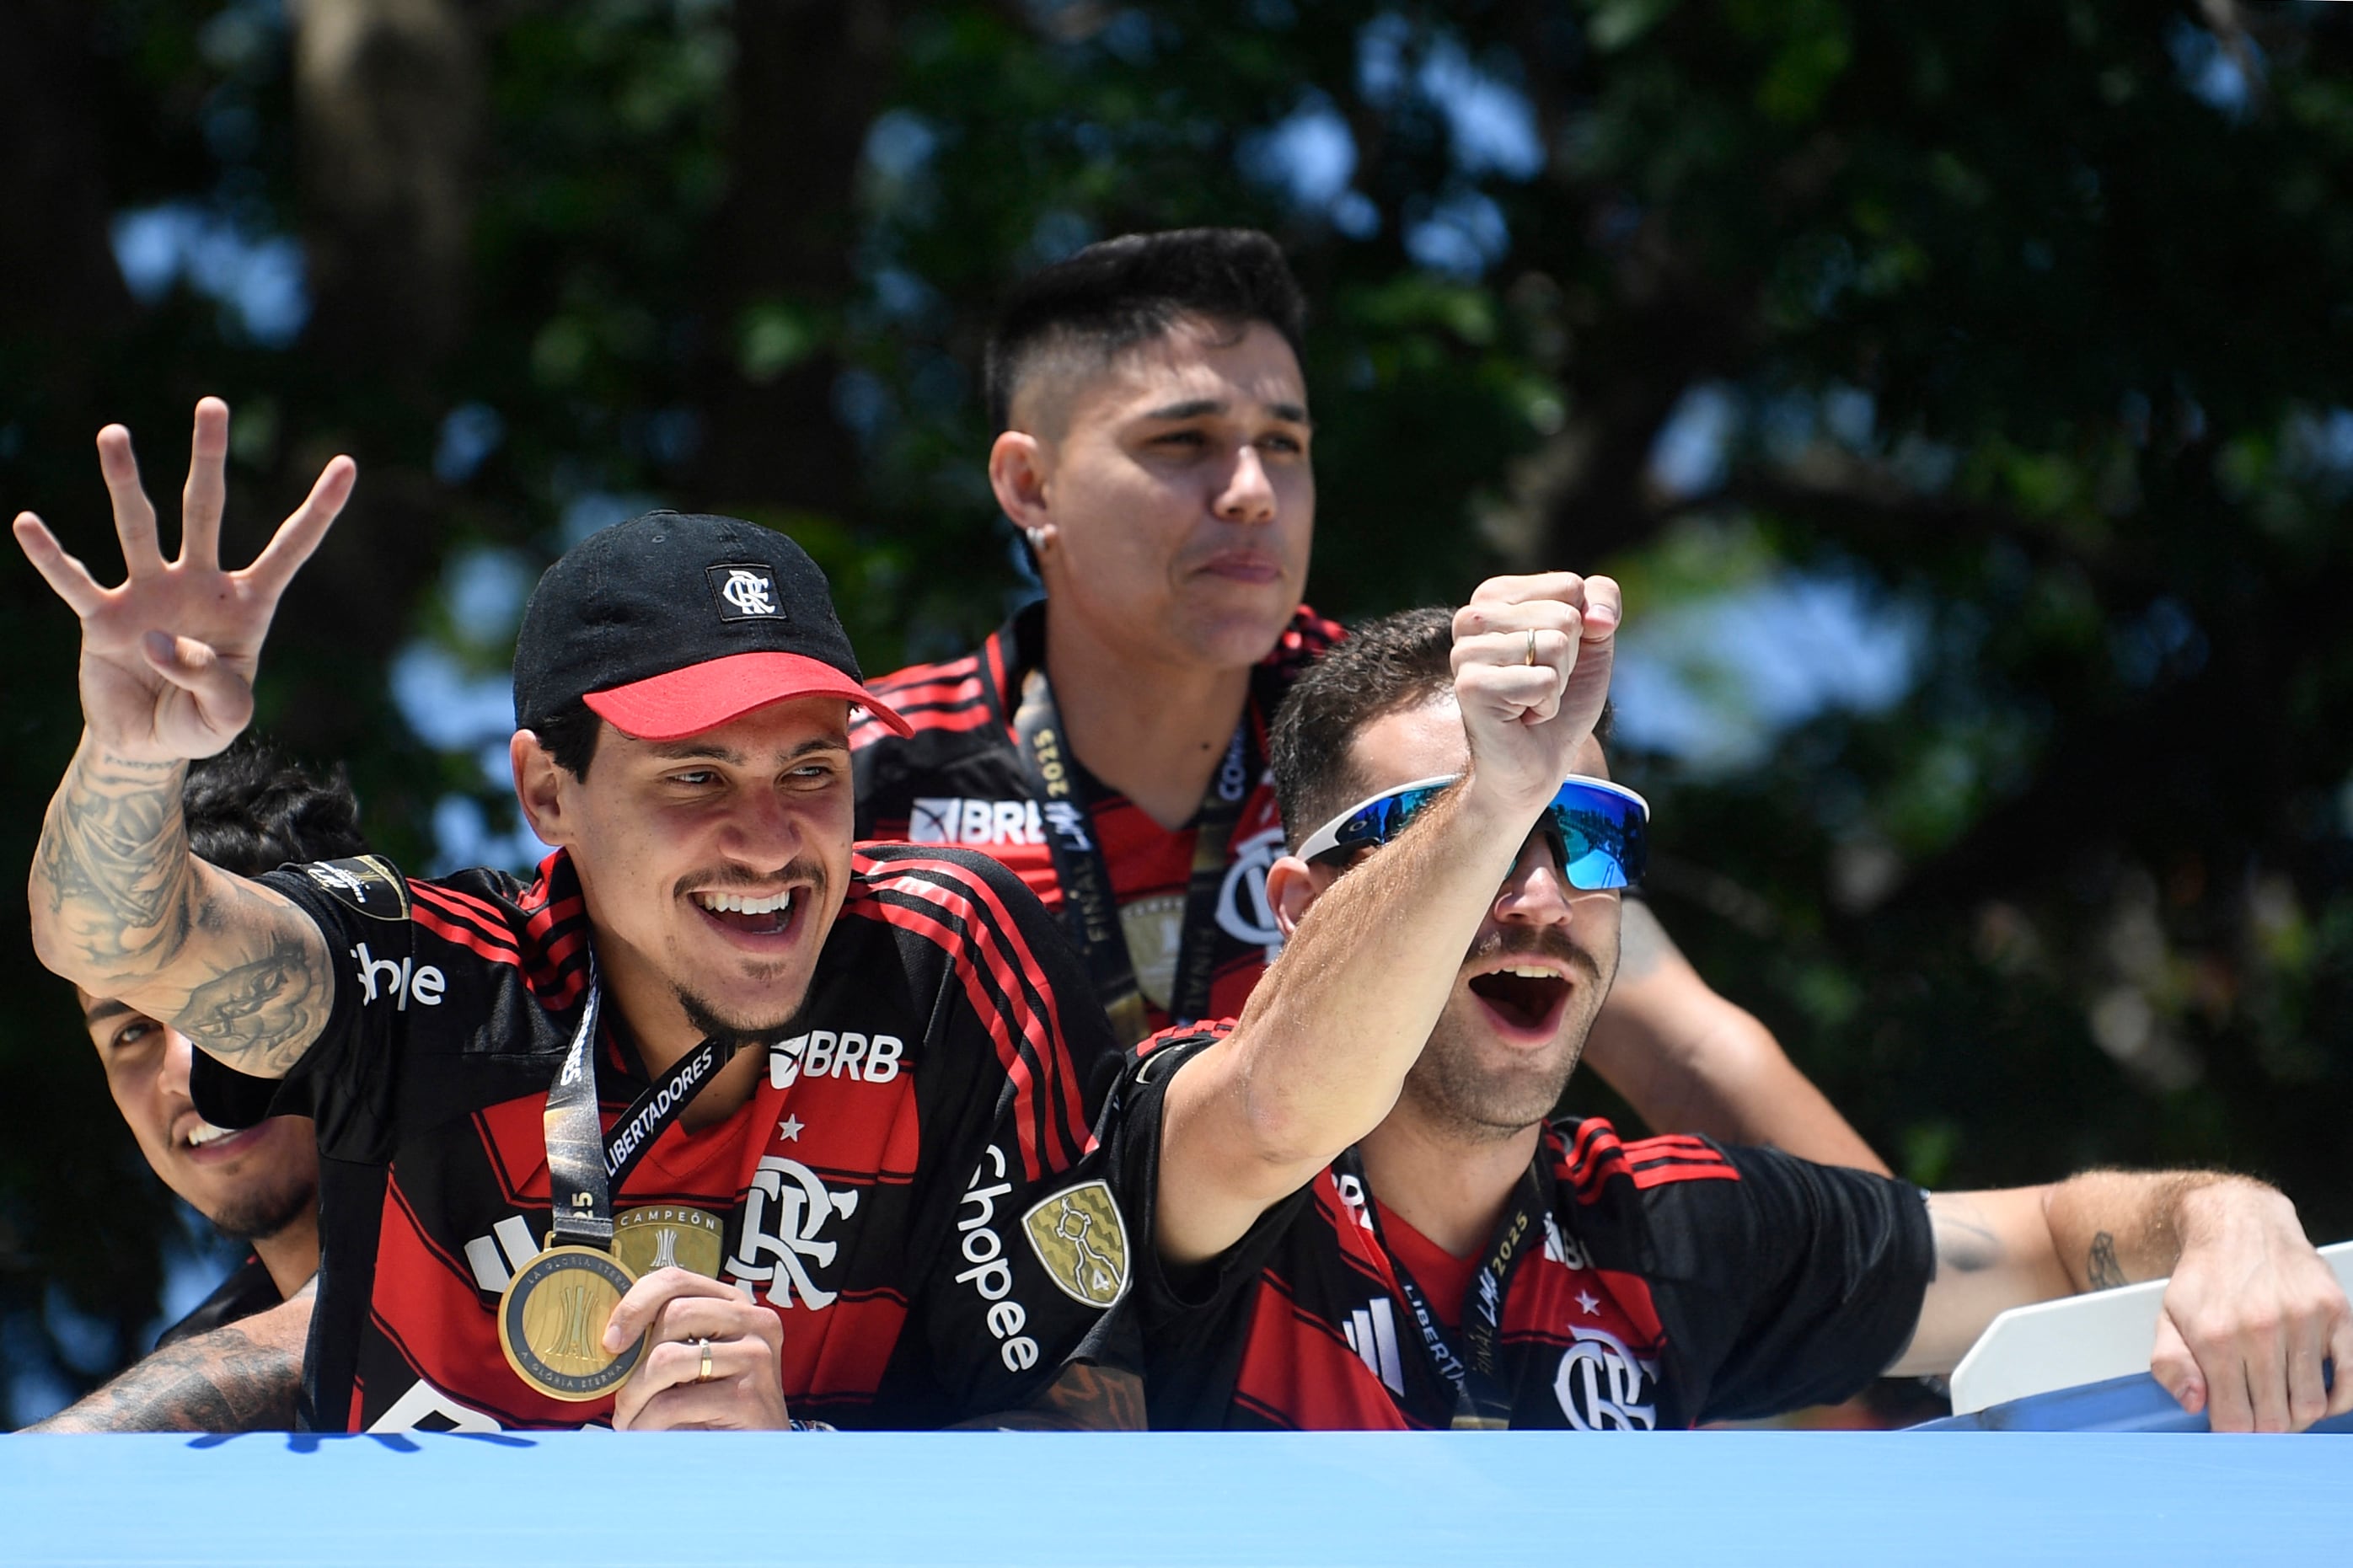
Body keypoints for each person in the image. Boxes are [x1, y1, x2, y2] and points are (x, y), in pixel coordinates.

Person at [17, 400, 1139, 1433]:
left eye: (810, 770)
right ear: (548, 792)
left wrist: (797, 1476)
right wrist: (127, 752)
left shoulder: (951, 957)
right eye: (695, 779)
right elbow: (117, 942)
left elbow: (1112, 1420)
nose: (768, 837)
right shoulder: (431, 977)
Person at [1118, 581, 2353, 1432]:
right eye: (1460, 830)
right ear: (1299, 903)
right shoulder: (1184, 1137)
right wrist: (1494, 790)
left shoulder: (1661, 1232)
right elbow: (1283, 1103)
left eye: (1587, 833)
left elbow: (2049, 1238)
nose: (1539, 897)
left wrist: (2230, 1220)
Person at [853, 227, 1884, 1173]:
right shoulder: (855, 770)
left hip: (1341, 1359)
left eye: (1284, 444)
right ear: (1029, 486)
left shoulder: (1414, 731)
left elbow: (1686, 1047)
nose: (1251, 489)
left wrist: (1939, 1353)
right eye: (1183, 442)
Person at [28, 745, 357, 1433]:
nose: (184, 1067)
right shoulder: (199, 1349)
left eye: (234, 997)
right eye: (132, 1032)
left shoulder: (566, 1192)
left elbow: (386, 1309)